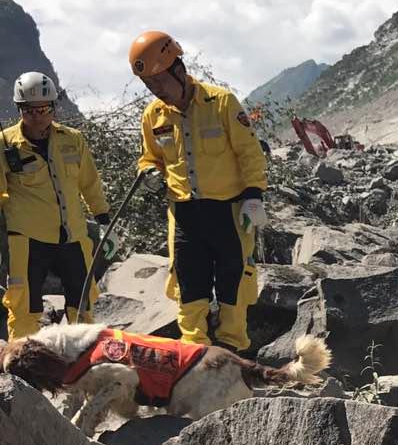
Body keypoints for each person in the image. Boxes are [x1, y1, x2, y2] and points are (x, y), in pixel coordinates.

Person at [130, 31, 267, 352]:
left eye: (160, 81)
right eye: (150, 86)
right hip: (185, 215)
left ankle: (232, 352)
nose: (157, 91)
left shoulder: (221, 103)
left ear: (178, 69)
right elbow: (149, 157)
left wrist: (254, 195)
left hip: (231, 212)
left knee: (234, 282)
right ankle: (194, 353)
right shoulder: (153, 117)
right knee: (189, 285)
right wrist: (148, 170)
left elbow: (249, 152)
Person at [1, 72, 114, 339]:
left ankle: (83, 360)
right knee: (24, 306)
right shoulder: (6, 144)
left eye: (44, 109)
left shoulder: (72, 139)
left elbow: (90, 182)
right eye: (30, 110)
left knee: (83, 302)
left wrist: (104, 218)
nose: (38, 116)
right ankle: (22, 365)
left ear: (53, 106)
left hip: (73, 235)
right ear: (20, 109)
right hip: (27, 239)